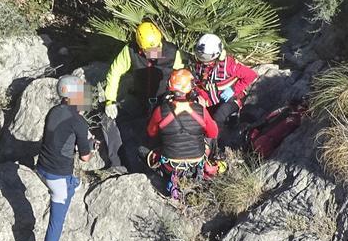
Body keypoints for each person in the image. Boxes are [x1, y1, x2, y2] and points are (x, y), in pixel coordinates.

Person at [101, 22, 184, 170]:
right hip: (139, 99)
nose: (155, 51)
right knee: (108, 120)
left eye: (157, 47)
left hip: (164, 100)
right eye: (150, 50)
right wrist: (110, 100)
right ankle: (118, 163)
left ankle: (167, 162)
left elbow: (181, 76)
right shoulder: (130, 51)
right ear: (141, 47)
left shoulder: (172, 52)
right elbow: (114, 73)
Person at [36, 75, 94, 241]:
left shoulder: (53, 111)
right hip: (57, 178)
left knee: (69, 184)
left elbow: (59, 139)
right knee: (57, 220)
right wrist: (91, 145)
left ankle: (71, 183)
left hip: (41, 169)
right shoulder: (79, 123)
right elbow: (85, 158)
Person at [144, 69, 219, 199]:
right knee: (211, 139)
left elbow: (151, 133)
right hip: (196, 164)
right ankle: (212, 161)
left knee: (142, 149)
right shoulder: (200, 110)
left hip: (170, 165)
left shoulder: (160, 111)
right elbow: (213, 133)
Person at [192, 34, 258, 148]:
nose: (202, 59)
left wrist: (233, 89)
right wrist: (199, 96)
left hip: (232, 97)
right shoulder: (200, 64)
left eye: (206, 57)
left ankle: (216, 147)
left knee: (218, 117)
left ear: (216, 54)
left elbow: (251, 75)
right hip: (210, 99)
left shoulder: (230, 65)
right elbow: (200, 84)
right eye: (200, 55)